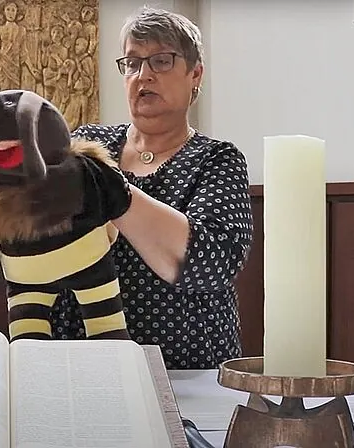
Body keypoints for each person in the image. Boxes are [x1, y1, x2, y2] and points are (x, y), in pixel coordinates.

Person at [49, 6, 255, 370]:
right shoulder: (89, 144)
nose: (143, 75)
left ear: (195, 74)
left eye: (161, 61)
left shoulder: (217, 160)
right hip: (79, 363)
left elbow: (209, 263)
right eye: (131, 63)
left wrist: (115, 194)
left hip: (187, 369)